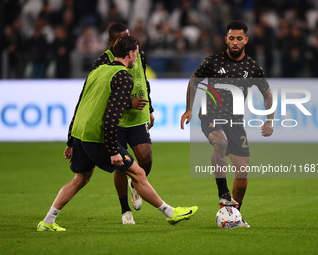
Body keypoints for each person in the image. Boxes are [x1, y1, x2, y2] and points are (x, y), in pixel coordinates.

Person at [37, 36, 197, 231]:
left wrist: (71, 140)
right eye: (136, 53)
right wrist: (113, 150)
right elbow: (112, 117)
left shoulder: (98, 71)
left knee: (81, 178)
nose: (137, 57)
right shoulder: (123, 76)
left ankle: (47, 221)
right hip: (97, 136)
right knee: (138, 173)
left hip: (81, 133)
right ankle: (170, 213)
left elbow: (80, 104)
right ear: (130, 53)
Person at [180, 21, 274, 228]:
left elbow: (267, 93)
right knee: (219, 142)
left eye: (239, 38)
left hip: (236, 122)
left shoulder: (252, 67)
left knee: (242, 171)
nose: (235, 42)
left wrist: (270, 120)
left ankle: (234, 215)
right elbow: (194, 81)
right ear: (226, 40)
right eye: (231, 38)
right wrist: (189, 108)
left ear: (246, 40)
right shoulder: (212, 61)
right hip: (211, 115)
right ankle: (223, 193)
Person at [92, 23, 154, 224]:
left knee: (146, 159)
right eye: (120, 39)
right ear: (111, 42)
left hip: (138, 117)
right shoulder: (102, 61)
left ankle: (135, 184)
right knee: (120, 165)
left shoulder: (138, 54)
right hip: (115, 119)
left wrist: (149, 108)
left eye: (128, 37)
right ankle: (125, 210)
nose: (126, 41)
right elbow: (101, 94)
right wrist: (128, 102)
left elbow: (143, 80)